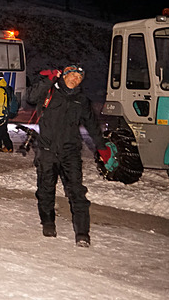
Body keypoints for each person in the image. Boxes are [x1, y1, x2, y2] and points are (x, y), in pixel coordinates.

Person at [25, 64, 111, 248]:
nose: (75, 80)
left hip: (70, 152)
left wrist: (101, 147)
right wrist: (47, 79)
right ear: (63, 76)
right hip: (47, 150)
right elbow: (31, 97)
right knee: (46, 189)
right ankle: (48, 222)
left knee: (77, 191)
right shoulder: (48, 92)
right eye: (72, 75)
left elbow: (92, 124)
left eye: (79, 78)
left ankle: (82, 232)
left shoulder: (81, 100)